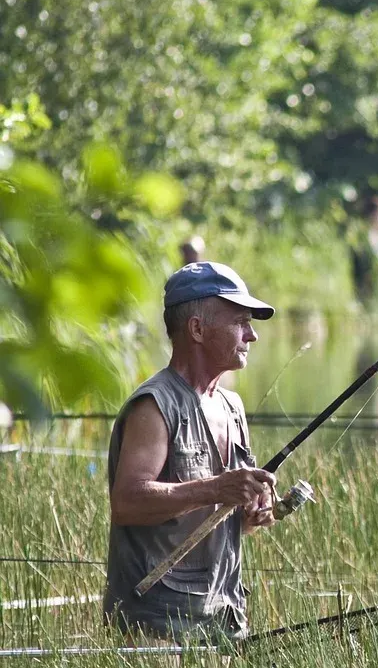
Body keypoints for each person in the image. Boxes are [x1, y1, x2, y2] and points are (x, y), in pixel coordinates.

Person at [103, 262, 278, 643]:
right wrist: (216, 488)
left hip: (224, 616)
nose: (251, 336)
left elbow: (219, 513)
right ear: (197, 329)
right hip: (157, 624)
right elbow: (128, 502)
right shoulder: (154, 406)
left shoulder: (232, 406)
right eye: (240, 322)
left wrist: (249, 510)